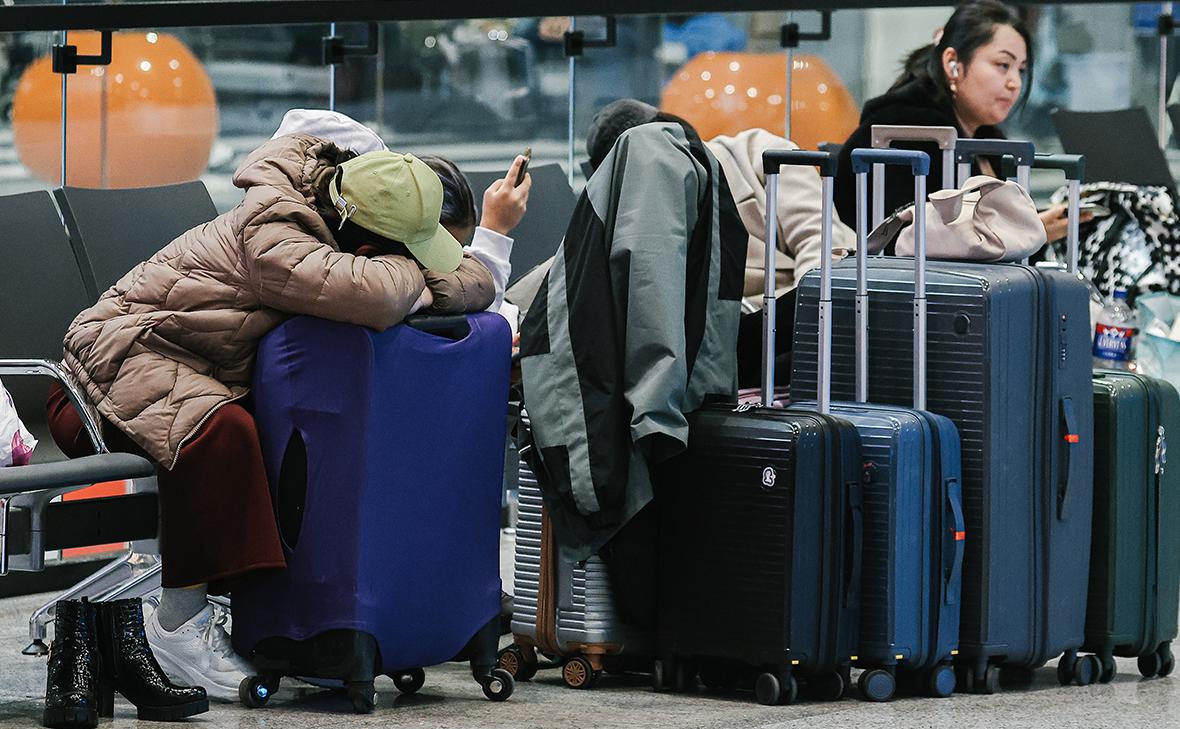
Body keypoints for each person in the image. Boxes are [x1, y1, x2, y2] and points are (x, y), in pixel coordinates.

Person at [45, 136, 495, 701]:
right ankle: (176, 627)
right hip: (106, 367)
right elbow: (378, 298)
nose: (414, 262)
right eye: (406, 250)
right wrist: (417, 280)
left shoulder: (342, 217)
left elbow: (477, 279)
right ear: (366, 237)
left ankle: (298, 625)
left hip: (199, 368)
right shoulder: (276, 237)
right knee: (222, 432)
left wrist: (417, 277)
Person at [579, 98, 856, 387]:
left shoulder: (758, 153)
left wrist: (810, 318)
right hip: (728, 333)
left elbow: (820, 241)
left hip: (805, 307)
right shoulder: (638, 214)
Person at [833, 0, 1089, 243]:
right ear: (953, 64)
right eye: (1003, 65)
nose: (1015, 83)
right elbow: (916, 245)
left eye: (1020, 69)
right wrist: (1029, 233)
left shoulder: (988, 141)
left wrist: (1036, 231)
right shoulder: (904, 132)